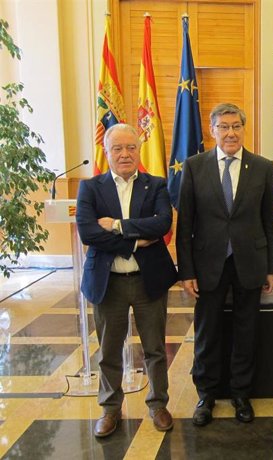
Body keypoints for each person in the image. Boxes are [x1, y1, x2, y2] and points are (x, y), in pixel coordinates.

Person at [176, 103, 273, 426]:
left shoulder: (262, 167)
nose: (230, 132)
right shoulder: (195, 166)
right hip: (208, 264)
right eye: (224, 127)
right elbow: (186, 224)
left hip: (249, 262)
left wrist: (271, 266)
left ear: (243, 129)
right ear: (213, 130)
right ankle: (206, 395)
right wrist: (187, 271)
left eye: (236, 126)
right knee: (207, 332)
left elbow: (269, 221)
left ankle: (240, 395)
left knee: (246, 332)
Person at [76, 123, 178, 437]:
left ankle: (158, 404)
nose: (124, 154)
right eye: (117, 148)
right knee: (108, 350)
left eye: (130, 148)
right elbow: (88, 232)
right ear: (106, 153)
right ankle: (110, 409)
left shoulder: (156, 184)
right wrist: (134, 241)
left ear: (138, 150)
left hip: (149, 282)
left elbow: (161, 223)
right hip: (109, 284)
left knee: (155, 348)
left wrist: (117, 225)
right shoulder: (91, 188)